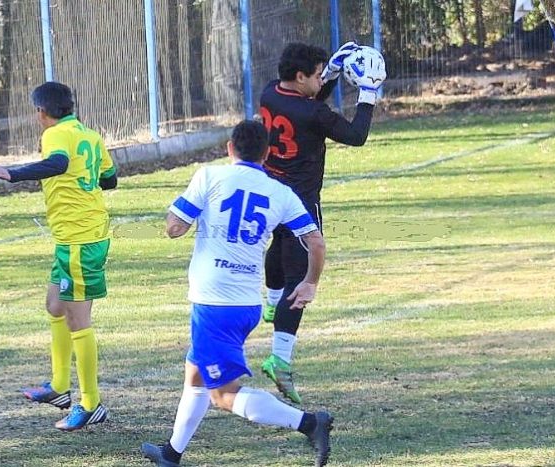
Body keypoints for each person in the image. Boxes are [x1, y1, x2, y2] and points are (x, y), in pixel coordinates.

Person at [141, 120, 332, 466]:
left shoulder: (209, 177)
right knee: (195, 373)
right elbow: (315, 241)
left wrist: (177, 214)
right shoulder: (281, 192)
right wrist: (310, 283)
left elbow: (174, 228)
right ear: (267, 153)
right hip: (246, 304)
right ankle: (171, 454)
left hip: (215, 304)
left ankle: (309, 423)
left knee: (222, 395)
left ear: (230, 148)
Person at [0, 81, 117, 431]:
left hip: (80, 240)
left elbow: (57, 164)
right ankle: (59, 387)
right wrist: (83, 182)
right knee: (55, 306)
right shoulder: (89, 135)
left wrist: (13, 173)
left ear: (41, 112)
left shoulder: (55, 134)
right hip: (75, 237)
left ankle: (91, 403)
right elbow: (110, 179)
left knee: (78, 320)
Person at [259, 42, 386, 404]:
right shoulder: (312, 115)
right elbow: (355, 135)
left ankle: (270, 303)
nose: (321, 80)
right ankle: (280, 359)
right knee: (299, 282)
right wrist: (368, 92)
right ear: (300, 77)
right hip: (299, 201)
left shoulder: (271, 92)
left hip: (272, 190)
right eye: (316, 75)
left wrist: (329, 74)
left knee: (279, 246)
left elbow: (309, 101)